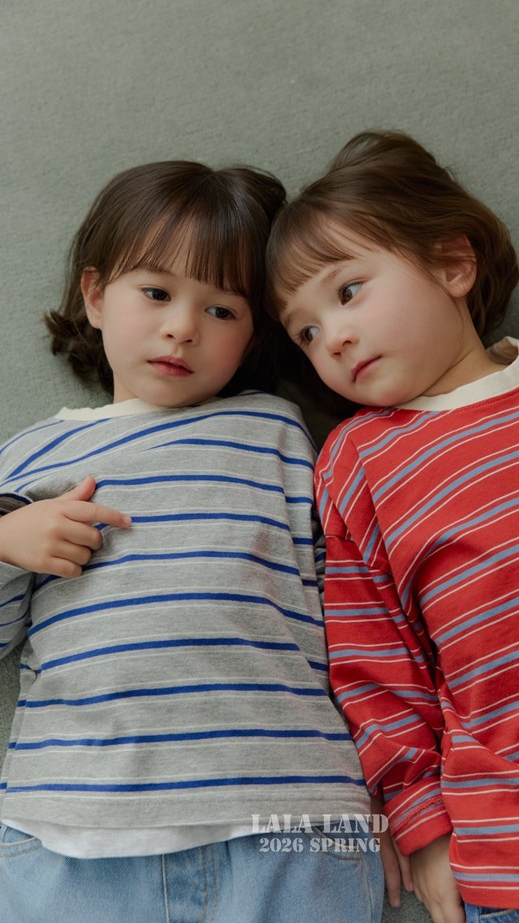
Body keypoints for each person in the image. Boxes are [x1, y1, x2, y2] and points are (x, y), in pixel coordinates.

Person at [266, 130, 519, 923]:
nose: (332, 337)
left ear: (451, 264)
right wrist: (424, 827)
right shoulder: (359, 462)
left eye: (348, 292)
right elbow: (376, 666)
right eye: (305, 332)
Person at [0, 159, 384, 923]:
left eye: (221, 309)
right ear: (94, 295)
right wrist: (7, 543)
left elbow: (353, 605)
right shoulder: (30, 456)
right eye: (156, 293)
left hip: (289, 820)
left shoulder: (277, 430)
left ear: (255, 333)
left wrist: (391, 795)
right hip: (74, 831)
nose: (182, 327)